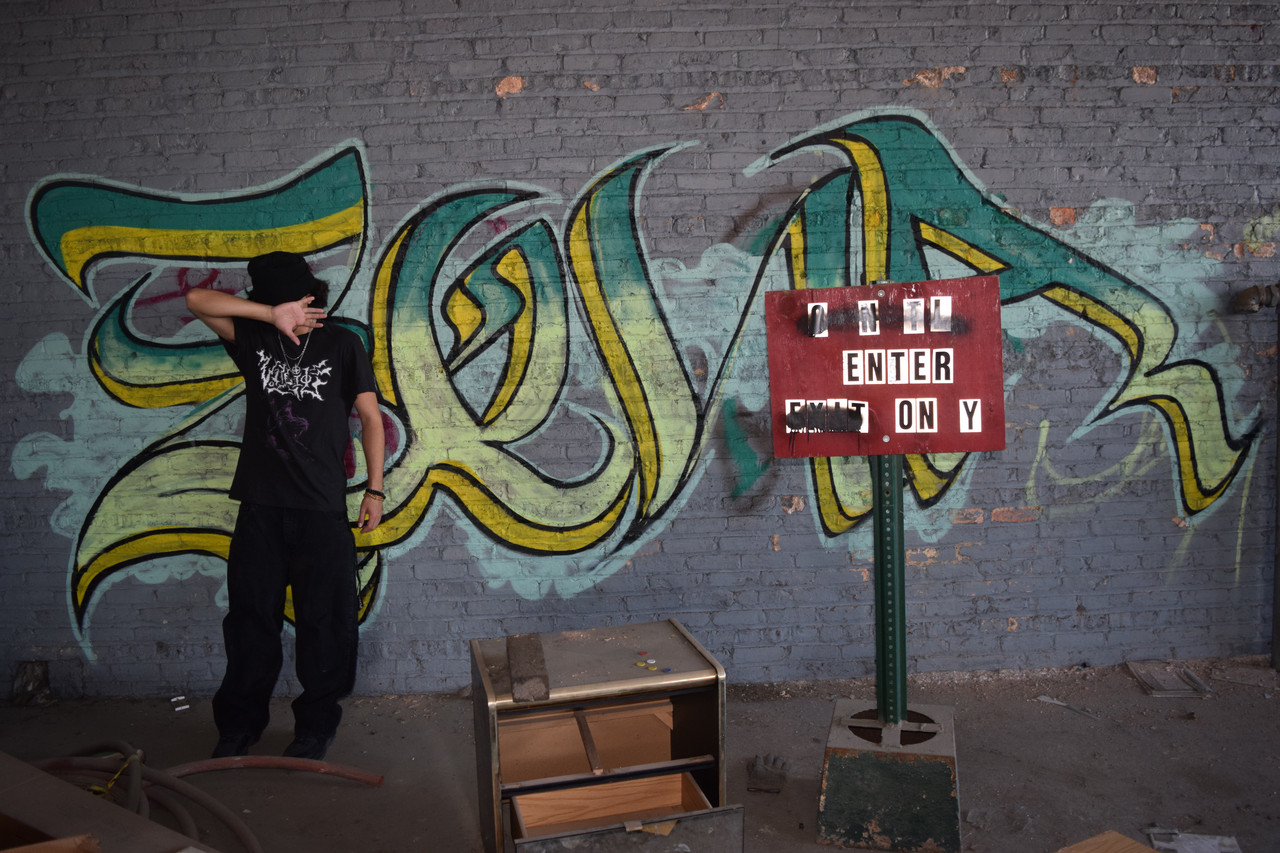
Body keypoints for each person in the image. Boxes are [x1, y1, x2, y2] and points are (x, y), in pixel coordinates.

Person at [186, 251, 385, 761]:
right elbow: (195, 299)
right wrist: (268, 316)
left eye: (291, 299)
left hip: (320, 509)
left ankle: (315, 728)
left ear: (311, 295)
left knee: (326, 622)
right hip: (260, 508)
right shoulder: (254, 340)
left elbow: (370, 418)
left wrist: (376, 489)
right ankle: (239, 727)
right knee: (251, 622)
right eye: (275, 300)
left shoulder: (343, 344)